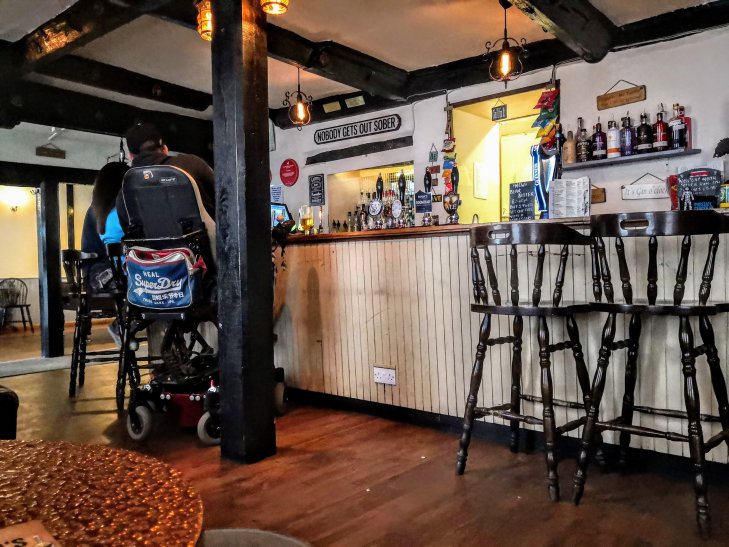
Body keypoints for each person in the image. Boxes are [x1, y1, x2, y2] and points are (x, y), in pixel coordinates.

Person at [115, 122, 215, 231]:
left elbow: (129, 232)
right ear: (164, 149)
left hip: (151, 242)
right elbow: (224, 195)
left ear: (130, 156)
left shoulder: (124, 194)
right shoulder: (191, 164)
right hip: (206, 239)